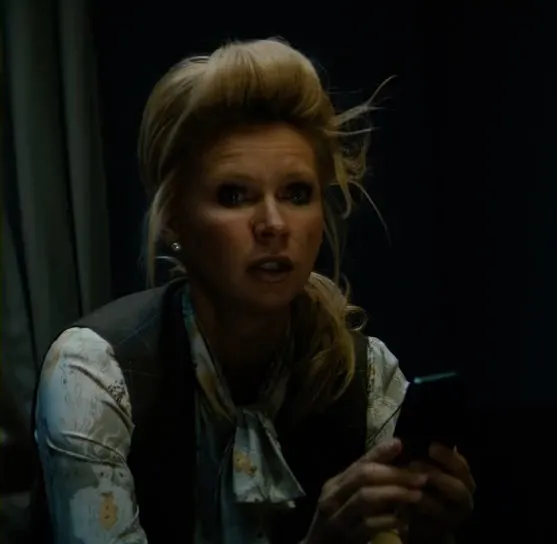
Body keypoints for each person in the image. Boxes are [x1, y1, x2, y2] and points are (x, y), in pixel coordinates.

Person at [31, 38, 475, 543]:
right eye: (234, 195)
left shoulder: (368, 375)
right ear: (173, 217)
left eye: (296, 194)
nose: (273, 224)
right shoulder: (94, 374)